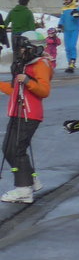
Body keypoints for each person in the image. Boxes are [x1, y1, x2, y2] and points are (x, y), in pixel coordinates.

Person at [1, 30, 53, 204]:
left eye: (23, 48)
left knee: (17, 149)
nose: (21, 51)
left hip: (29, 114)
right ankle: (29, 179)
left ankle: (24, 190)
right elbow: (14, 89)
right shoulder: (25, 64)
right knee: (8, 148)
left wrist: (28, 81)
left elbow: (44, 91)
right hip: (17, 112)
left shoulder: (41, 65)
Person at [57, 0, 79, 73]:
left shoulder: (76, 5)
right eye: (64, 0)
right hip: (66, 30)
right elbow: (62, 18)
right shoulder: (64, 8)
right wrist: (60, 25)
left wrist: (77, 10)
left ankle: (73, 61)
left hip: (74, 29)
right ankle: (69, 63)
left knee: (72, 45)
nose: (65, 1)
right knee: (67, 47)